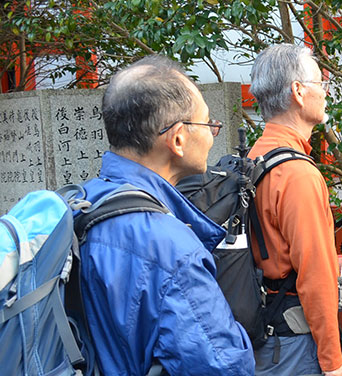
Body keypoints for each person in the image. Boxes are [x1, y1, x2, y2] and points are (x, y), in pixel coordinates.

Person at [81, 55, 255, 375]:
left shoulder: (81, 202)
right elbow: (223, 366)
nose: (213, 132)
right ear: (178, 139)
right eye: (206, 123)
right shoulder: (172, 249)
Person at [247, 44, 342, 376]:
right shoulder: (298, 174)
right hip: (290, 344)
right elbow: (316, 278)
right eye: (321, 84)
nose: (326, 93)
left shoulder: (253, 159)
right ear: (299, 92)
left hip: (259, 331)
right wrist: (333, 363)